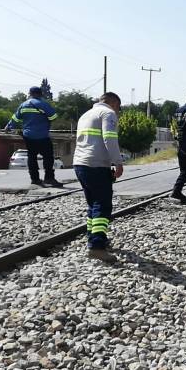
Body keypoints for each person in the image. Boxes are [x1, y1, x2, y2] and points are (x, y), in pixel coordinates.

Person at [73, 92, 124, 263]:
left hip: (80, 164)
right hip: (96, 165)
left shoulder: (86, 114)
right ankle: (97, 246)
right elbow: (110, 138)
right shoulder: (107, 113)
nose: (117, 111)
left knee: (93, 204)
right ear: (113, 103)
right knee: (102, 205)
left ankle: (92, 238)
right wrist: (118, 162)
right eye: (118, 107)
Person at [5, 86, 62, 187]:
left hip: (28, 136)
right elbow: (53, 117)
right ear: (40, 94)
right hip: (42, 135)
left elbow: (15, 119)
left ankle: (35, 180)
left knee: (32, 157)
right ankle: (49, 178)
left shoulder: (23, 105)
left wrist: (9, 126)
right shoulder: (43, 104)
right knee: (48, 157)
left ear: (30, 94)